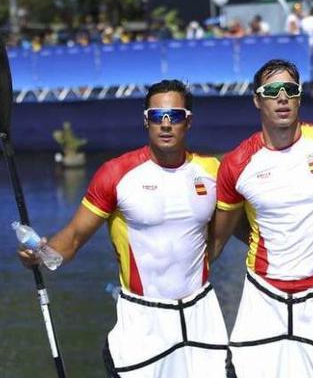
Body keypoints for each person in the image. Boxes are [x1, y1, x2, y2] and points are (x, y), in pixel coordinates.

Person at [17, 80, 229, 377]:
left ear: (188, 121)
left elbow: (242, 230)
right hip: (142, 321)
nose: (165, 125)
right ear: (146, 121)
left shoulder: (213, 171)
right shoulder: (116, 174)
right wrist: (39, 253)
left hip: (201, 316)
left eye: (175, 116)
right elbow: (75, 237)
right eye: (157, 116)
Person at [210, 59, 313, 377]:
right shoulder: (236, 164)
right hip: (263, 301)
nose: (282, 97)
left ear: (299, 96)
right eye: (272, 91)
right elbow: (217, 241)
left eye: (290, 90)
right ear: (257, 99)